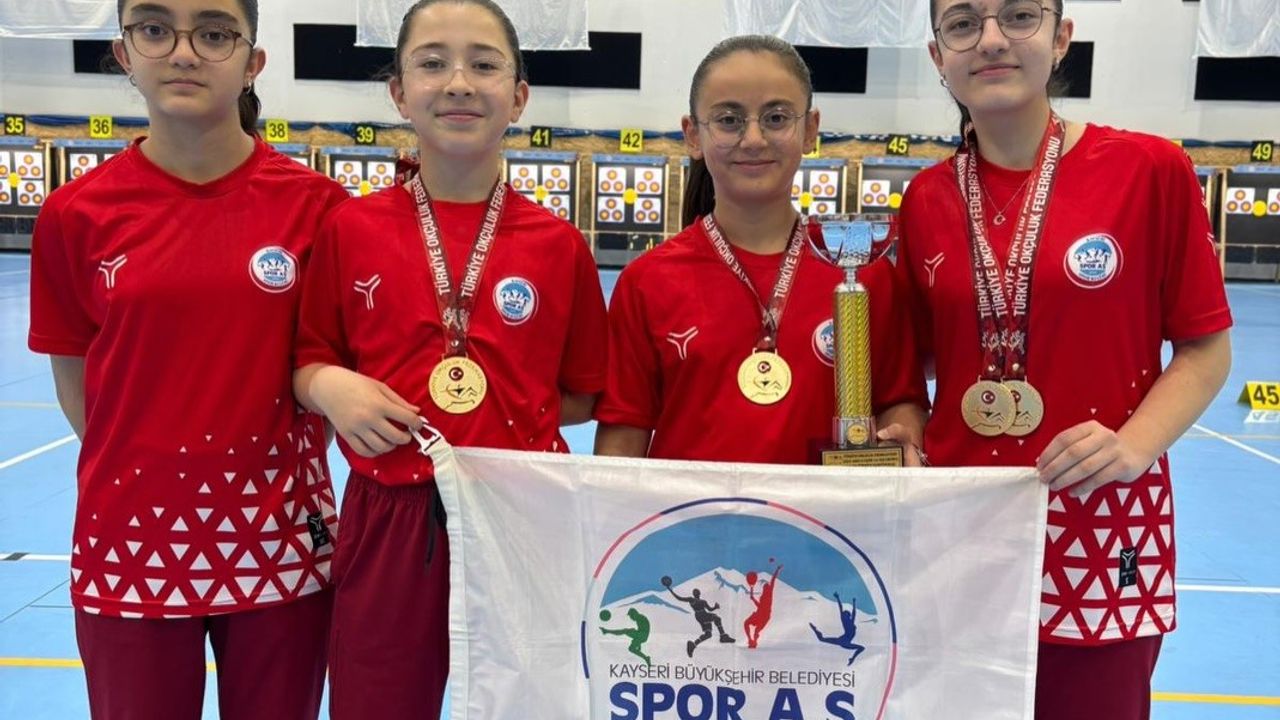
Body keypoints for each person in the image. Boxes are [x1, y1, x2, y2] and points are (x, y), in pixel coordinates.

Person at [898, 1, 1233, 717]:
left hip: (1101, 518)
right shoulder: (924, 198)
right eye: (963, 23)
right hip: (962, 525)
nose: (991, 39)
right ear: (937, 56)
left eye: (1019, 15)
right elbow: (916, 361)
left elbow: (1206, 346)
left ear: (1061, 39)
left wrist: (1135, 444)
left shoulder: (1150, 170)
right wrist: (900, 422)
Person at [27, 1, 349, 718]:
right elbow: (78, 386)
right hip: (128, 537)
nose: (182, 52)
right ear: (124, 54)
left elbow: (329, 373)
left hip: (283, 537)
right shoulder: (75, 214)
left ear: (252, 62)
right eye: (154, 29)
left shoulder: (321, 208)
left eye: (213, 33)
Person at [291, 1, 609, 717]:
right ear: (399, 92)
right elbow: (309, 360)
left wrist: (500, 423)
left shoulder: (559, 246)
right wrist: (328, 384)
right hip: (389, 513)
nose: (459, 81)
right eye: (432, 63)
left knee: (529, 705)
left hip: (522, 515)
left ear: (519, 97)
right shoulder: (350, 229)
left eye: (484, 64)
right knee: (377, 703)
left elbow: (583, 393)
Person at [593, 34, 928, 464]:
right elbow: (622, 442)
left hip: (824, 511)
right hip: (692, 512)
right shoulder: (647, 282)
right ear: (693, 135)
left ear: (810, 130)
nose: (753, 138)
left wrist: (902, 443)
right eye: (728, 120)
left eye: (776, 118)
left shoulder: (864, 273)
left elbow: (900, 402)